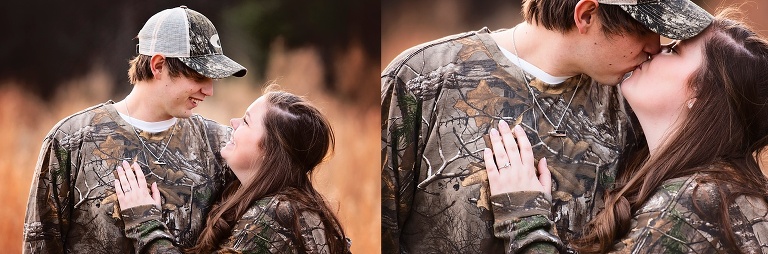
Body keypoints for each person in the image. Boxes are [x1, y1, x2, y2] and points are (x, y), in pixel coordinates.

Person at [381, 0, 713, 252]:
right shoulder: (421, 79)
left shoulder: (636, 105)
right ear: (586, 15)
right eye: (644, 28)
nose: (655, 47)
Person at [484, 11, 768, 253]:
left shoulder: (695, 203)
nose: (656, 49)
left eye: (674, 50)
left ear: (701, 95)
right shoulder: (720, 189)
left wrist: (524, 219)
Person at [23, 6, 246, 253]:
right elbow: (41, 244)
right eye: (200, 76)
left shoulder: (221, 145)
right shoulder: (71, 140)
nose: (209, 90)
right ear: (158, 65)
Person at [113, 87, 351, 253]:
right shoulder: (292, 203)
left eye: (246, 121)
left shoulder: (278, 214)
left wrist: (145, 222)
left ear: (269, 150)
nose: (233, 123)